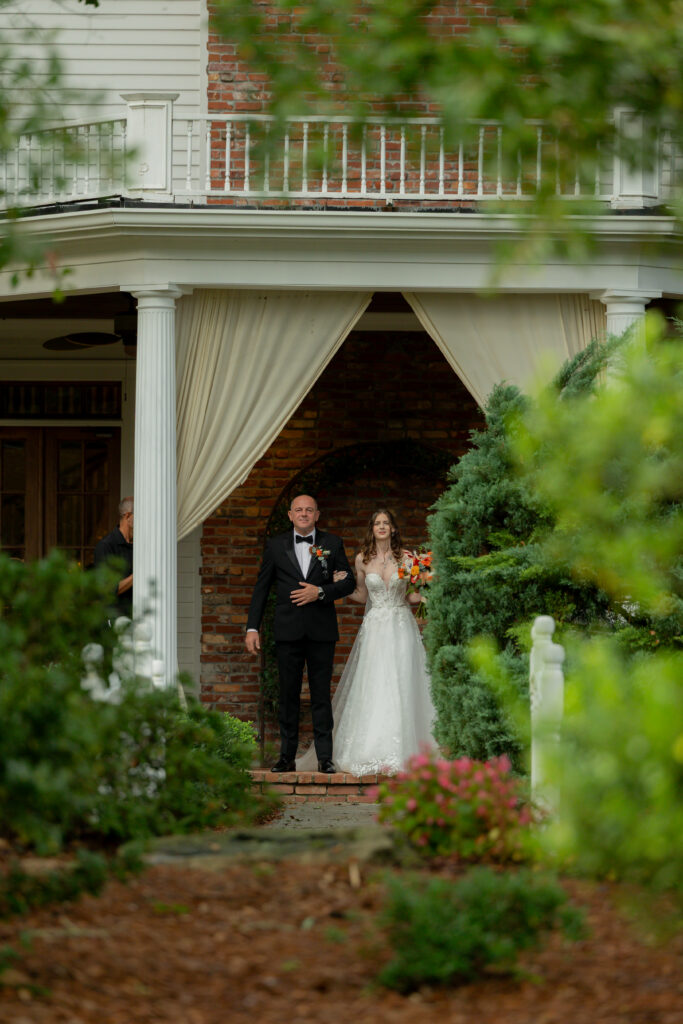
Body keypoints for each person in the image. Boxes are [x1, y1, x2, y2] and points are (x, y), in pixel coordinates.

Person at [298, 509, 438, 776]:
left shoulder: (409, 559)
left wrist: (427, 592)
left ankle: (406, 750)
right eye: (377, 523)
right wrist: (340, 585)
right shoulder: (362, 559)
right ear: (372, 529)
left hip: (400, 626)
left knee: (402, 681)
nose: (382, 527)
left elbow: (411, 597)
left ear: (394, 529)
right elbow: (363, 596)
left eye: (387, 523)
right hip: (375, 628)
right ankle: (370, 747)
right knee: (374, 683)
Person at [245, 494, 355, 774]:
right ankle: (286, 757)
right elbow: (262, 587)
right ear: (290, 515)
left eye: (309, 510)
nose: (304, 514)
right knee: (288, 695)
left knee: (320, 695)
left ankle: (325, 758)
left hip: (321, 630)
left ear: (317, 515)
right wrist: (252, 627)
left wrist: (319, 591)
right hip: (288, 630)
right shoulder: (275, 546)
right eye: (299, 510)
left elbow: (348, 583)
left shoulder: (332, 543)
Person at [93, 496, 134, 620]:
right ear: (128, 516)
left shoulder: (139, 545)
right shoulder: (106, 546)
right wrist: (136, 576)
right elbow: (107, 590)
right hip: (115, 621)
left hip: (138, 618)